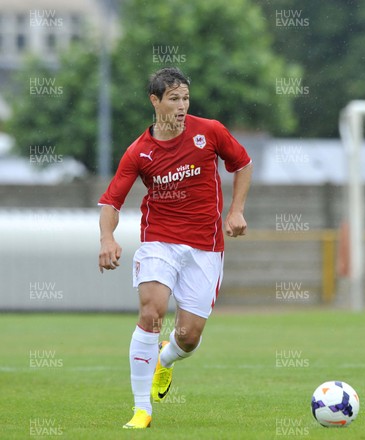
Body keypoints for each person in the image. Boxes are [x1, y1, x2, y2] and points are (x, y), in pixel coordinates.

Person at [97, 67, 253, 429]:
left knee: (188, 336)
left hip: (205, 247)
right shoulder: (139, 152)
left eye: (185, 98)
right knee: (152, 311)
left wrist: (237, 210)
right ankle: (141, 410)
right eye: (174, 99)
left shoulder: (210, 131)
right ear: (155, 101)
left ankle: (164, 362)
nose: (182, 106)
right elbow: (111, 202)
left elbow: (242, 164)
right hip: (159, 242)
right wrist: (107, 238)